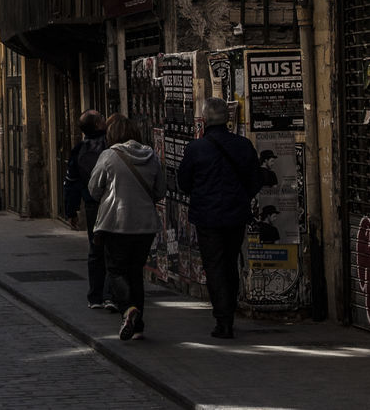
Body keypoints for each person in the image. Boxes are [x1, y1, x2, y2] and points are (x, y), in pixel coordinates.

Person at [177, 96, 261, 340]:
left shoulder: (196, 148)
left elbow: (183, 182)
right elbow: (256, 180)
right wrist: (241, 197)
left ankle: (223, 319)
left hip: (207, 216)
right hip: (235, 215)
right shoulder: (243, 145)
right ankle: (228, 314)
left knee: (214, 266)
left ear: (204, 120)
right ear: (228, 120)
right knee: (230, 263)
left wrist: (202, 193)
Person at [87, 113, 167, 341]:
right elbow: (160, 191)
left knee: (116, 270)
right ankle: (138, 326)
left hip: (116, 223)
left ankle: (128, 309)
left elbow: (94, 189)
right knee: (135, 272)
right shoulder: (151, 156)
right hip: (145, 226)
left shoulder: (109, 156)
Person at [63, 109, 112, 310]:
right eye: (101, 118)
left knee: (95, 249)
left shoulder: (79, 149)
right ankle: (110, 294)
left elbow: (71, 182)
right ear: (99, 125)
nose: (105, 120)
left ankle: (95, 296)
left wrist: (71, 210)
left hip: (91, 204)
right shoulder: (110, 147)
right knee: (112, 249)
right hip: (111, 202)